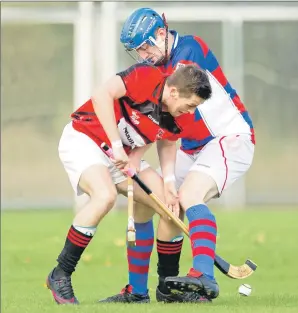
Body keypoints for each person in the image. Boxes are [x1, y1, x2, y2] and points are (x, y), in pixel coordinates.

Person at [100, 8, 255, 304]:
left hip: (228, 138)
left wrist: (138, 153)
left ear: (161, 34)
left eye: (146, 46)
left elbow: (168, 107)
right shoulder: (158, 70)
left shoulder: (189, 49)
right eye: (137, 50)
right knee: (154, 206)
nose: (143, 54)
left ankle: (202, 276)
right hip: (190, 146)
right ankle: (145, 290)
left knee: (189, 196)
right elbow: (166, 121)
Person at [45, 62, 212, 304]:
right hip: (86, 140)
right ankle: (60, 273)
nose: (191, 111)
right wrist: (115, 145)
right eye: (190, 105)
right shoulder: (145, 76)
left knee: (171, 207)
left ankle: (164, 287)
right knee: (104, 196)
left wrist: (168, 182)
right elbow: (102, 94)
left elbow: (167, 142)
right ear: (174, 92)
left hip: (123, 156)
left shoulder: (180, 113)